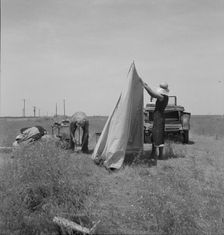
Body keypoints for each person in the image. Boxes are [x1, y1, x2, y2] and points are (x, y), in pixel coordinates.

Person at [143, 82, 169, 164]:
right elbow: (153, 95)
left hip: (159, 118)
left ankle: (160, 155)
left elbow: (152, 93)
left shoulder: (162, 97)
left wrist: (145, 86)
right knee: (155, 135)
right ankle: (153, 154)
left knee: (158, 135)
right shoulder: (164, 97)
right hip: (159, 117)